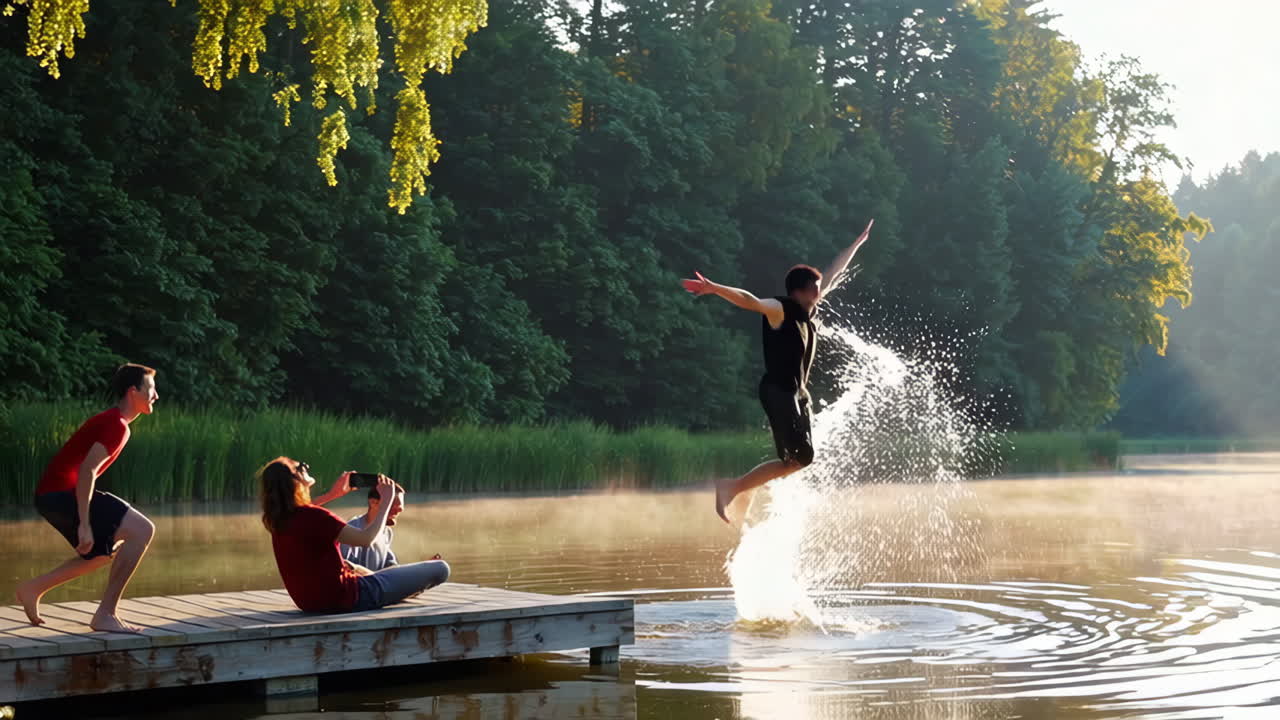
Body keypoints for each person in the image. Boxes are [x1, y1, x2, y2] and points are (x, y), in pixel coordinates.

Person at [682, 219, 875, 522]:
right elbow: (750, 300)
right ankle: (733, 487)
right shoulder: (780, 309)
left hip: (798, 395)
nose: (819, 290)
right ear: (799, 291)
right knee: (801, 457)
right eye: (814, 287)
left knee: (796, 461)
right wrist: (714, 288)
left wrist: (857, 243)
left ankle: (745, 488)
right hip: (778, 391)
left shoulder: (807, 310)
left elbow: (835, 271)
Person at [16, 364, 160, 632]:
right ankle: (105, 614)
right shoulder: (116, 425)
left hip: (52, 496)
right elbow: (87, 470)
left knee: (100, 554)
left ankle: (32, 589)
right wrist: (84, 523)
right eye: (151, 389)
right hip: (60, 493)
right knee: (142, 530)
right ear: (133, 392)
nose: (156, 396)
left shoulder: (115, 422)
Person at [258, 457, 450, 613]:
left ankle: (401, 587)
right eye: (301, 466)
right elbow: (365, 539)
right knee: (441, 568)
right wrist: (386, 501)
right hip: (352, 597)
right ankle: (403, 588)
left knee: (391, 575)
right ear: (295, 480)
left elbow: (303, 515)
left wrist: (333, 495)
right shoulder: (315, 517)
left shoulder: (280, 521)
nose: (306, 466)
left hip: (310, 604)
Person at [339, 484, 403, 572]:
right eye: (392, 506)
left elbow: (390, 564)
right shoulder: (351, 530)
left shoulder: (387, 532)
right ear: (373, 502)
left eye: (400, 508)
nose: (399, 511)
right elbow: (345, 568)